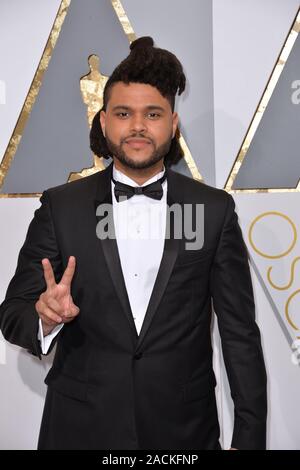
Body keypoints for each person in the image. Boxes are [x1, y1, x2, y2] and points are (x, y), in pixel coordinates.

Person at [0, 36, 267, 450]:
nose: (138, 126)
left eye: (153, 114)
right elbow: (13, 314)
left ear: (173, 125)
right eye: (124, 113)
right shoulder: (61, 207)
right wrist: (45, 317)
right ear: (104, 121)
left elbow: (239, 335)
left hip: (184, 433)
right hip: (78, 430)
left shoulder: (212, 210)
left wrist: (250, 439)